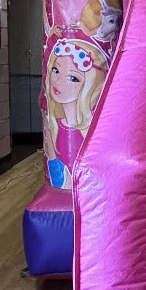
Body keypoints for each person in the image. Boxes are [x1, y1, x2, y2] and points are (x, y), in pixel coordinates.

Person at [42, 38, 108, 189]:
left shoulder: (93, 129)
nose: (58, 81)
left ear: (89, 85)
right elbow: (57, 176)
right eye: (55, 70)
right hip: (63, 191)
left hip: (88, 193)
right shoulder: (54, 125)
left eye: (72, 78)